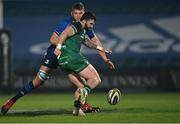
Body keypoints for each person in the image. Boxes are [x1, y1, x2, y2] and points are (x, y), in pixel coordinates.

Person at [1, 2, 114, 115]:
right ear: (72, 13)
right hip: (54, 53)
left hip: (66, 55)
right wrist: (63, 47)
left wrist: (105, 58)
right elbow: (53, 39)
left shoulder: (85, 25)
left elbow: (94, 41)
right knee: (38, 81)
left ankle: (81, 106)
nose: (78, 15)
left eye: (80, 13)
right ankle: (12, 101)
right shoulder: (66, 23)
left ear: (84, 13)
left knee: (82, 85)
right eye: (76, 13)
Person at [53, 11, 115, 116]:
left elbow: (88, 42)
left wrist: (101, 48)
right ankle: (85, 93)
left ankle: (76, 110)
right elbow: (64, 33)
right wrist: (58, 46)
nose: (92, 26)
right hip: (73, 57)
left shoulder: (81, 31)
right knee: (95, 79)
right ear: (84, 21)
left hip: (63, 62)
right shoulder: (77, 25)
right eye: (91, 23)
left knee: (81, 86)